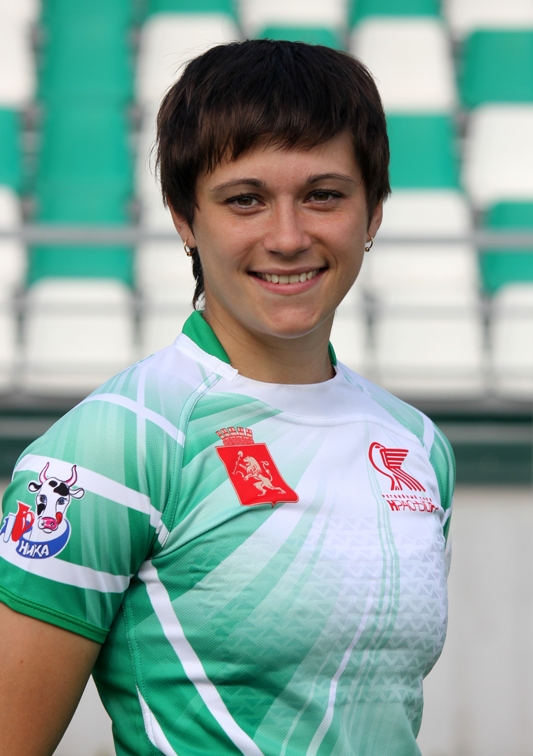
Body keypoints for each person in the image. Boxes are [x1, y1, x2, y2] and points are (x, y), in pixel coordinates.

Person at [0, 40, 455, 756]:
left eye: (323, 195)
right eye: (245, 200)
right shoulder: (118, 442)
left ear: (372, 212)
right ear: (185, 218)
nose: (288, 237)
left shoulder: (417, 446)